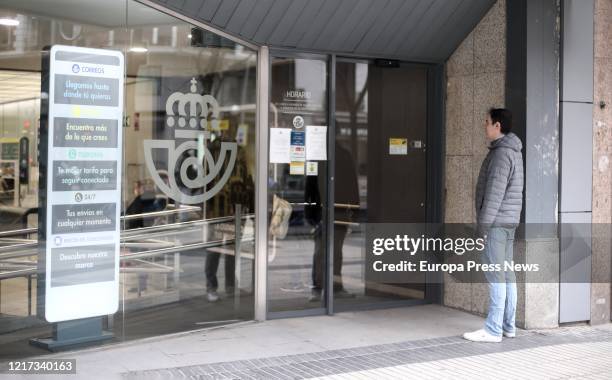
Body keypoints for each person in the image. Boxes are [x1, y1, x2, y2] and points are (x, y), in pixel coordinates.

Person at [463, 108, 524, 343]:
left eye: (487, 122)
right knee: (507, 275)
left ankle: (493, 329)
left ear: (497, 126)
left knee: (497, 276)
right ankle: (508, 326)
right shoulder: (513, 151)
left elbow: (493, 196)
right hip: (508, 222)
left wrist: (482, 230)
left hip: (497, 224)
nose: (484, 125)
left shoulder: (501, 155)